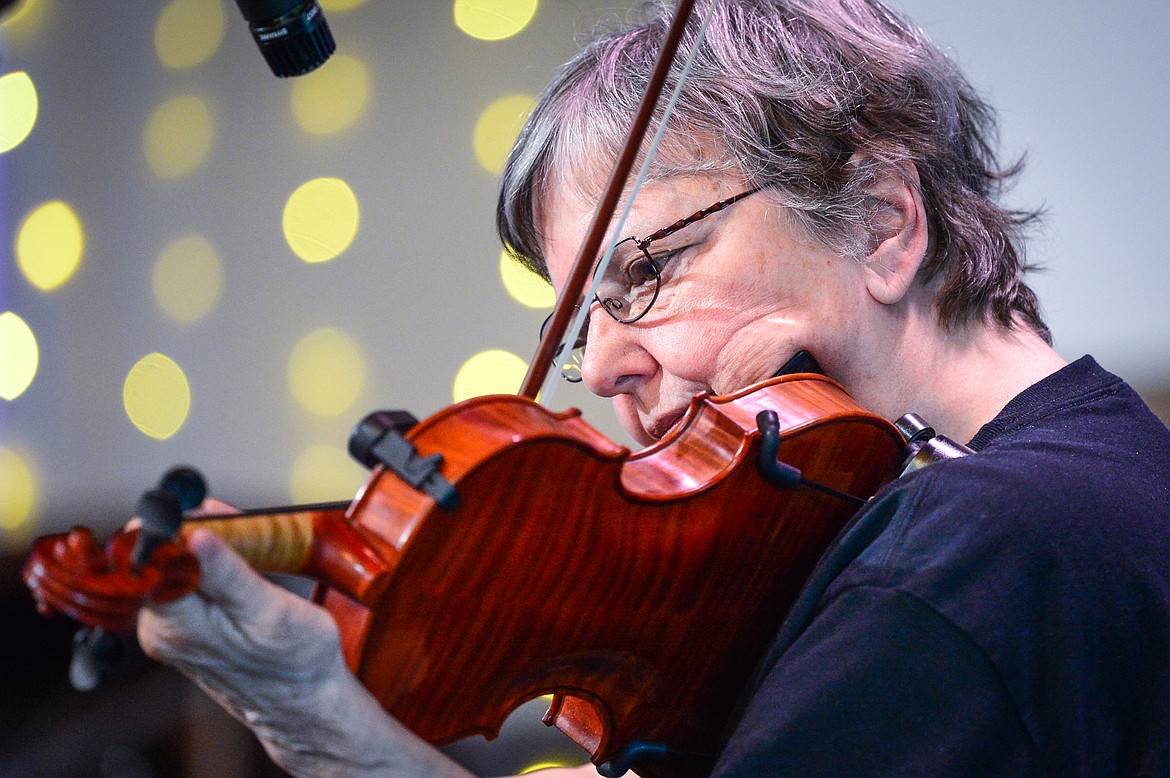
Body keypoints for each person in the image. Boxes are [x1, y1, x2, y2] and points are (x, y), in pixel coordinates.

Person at [136, 0, 1170, 775]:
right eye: (579, 325)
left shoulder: (966, 560)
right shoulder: (1111, 476)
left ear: (881, 223)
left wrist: (330, 733)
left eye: (644, 273)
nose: (610, 365)